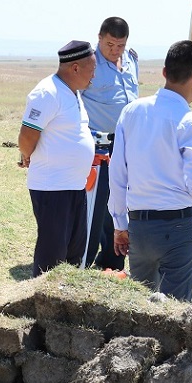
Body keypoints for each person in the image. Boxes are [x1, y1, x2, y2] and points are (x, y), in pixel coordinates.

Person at [108, 40, 192, 301]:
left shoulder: (131, 111)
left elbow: (118, 174)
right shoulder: (191, 123)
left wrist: (120, 225)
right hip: (177, 225)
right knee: (174, 311)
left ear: (165, 72)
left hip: (139, 225)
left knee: (140, 307)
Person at [19, 40, 97, 278]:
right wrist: (25, 155)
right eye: (92, 69)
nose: (94, 76)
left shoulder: (73, 94)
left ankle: (64, 309)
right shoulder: (48, 92)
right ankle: (41, 307)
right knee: (51, 260)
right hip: (52, 188)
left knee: (73, 257)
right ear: (75, 68)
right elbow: (26, 136)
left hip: (74, 187)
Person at [80, 17, 139, 272]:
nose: (115, 51)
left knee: (122, 199)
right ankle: (83, 258)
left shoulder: (132, 59)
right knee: (98, 201)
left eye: (121, 45)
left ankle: (113, 261)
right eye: (110, 44)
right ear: (99, 37)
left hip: (127, 142)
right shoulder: (87, 62)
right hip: (98, 145)